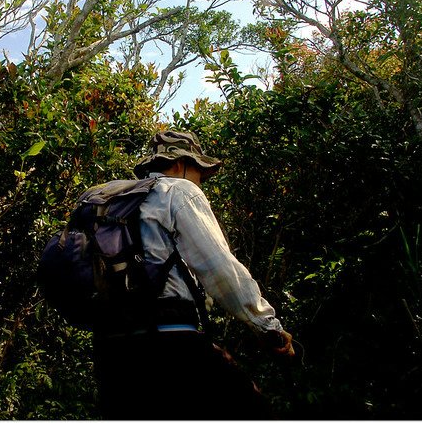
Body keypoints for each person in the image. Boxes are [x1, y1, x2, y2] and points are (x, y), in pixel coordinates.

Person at [92, 130, 294, 420]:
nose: (200, 180)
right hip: (171, 346)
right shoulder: (178, 190)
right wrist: (266, 326)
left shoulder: (112, 199)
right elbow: (221, 270)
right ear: (178, 164)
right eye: (198, 171)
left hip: (112, 353)